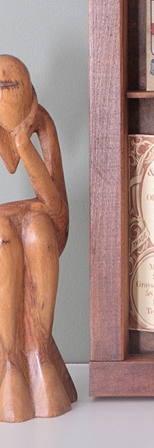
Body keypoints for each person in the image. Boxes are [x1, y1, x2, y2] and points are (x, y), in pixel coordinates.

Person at [0, 55, 76, 421]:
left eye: (11, 86)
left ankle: (38, 353)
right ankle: (10, 360)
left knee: (39, 231)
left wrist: (22, 140)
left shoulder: (42, 123)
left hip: (48, 226)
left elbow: (55, 208)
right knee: (2, 236)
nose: (5, 91)